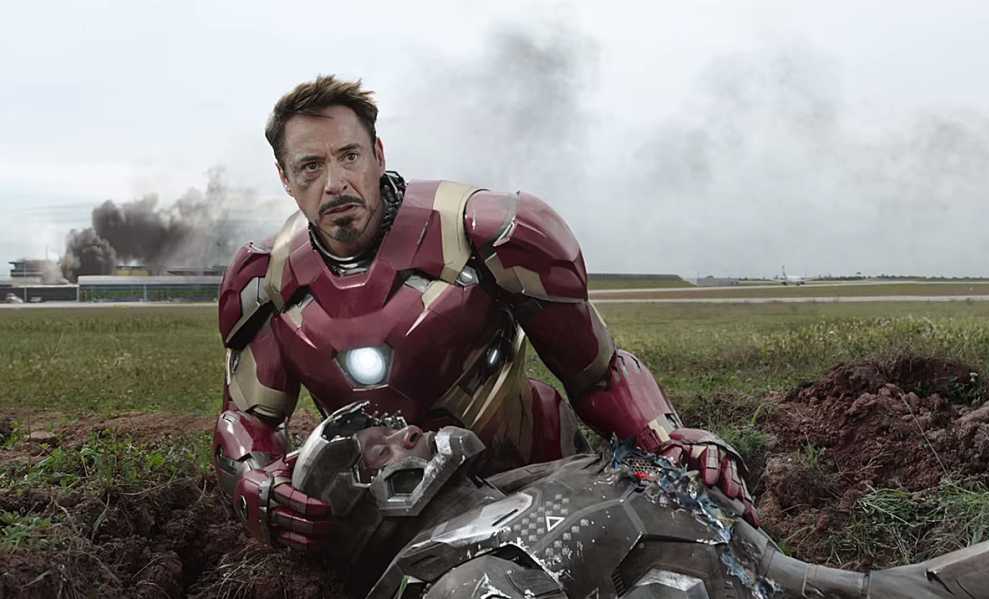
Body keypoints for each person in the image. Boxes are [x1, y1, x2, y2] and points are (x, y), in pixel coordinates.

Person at [212, 75, 757, 551]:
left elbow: (597, 372)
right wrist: (258, 486)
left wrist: (665, 437)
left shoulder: (487, 231)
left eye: (349, 156)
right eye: (310, 166)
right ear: (285, 178)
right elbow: (248, 422)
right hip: (383, 519)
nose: (335, 183)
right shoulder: (266, 280)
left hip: (536, 478)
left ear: (378, 154)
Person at [294, 403, 989, 599]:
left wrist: (694, 451)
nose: (405, 432)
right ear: (366, 501)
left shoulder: (524, 480)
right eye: (379, 446)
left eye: (394, 424)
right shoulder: (460, 578)